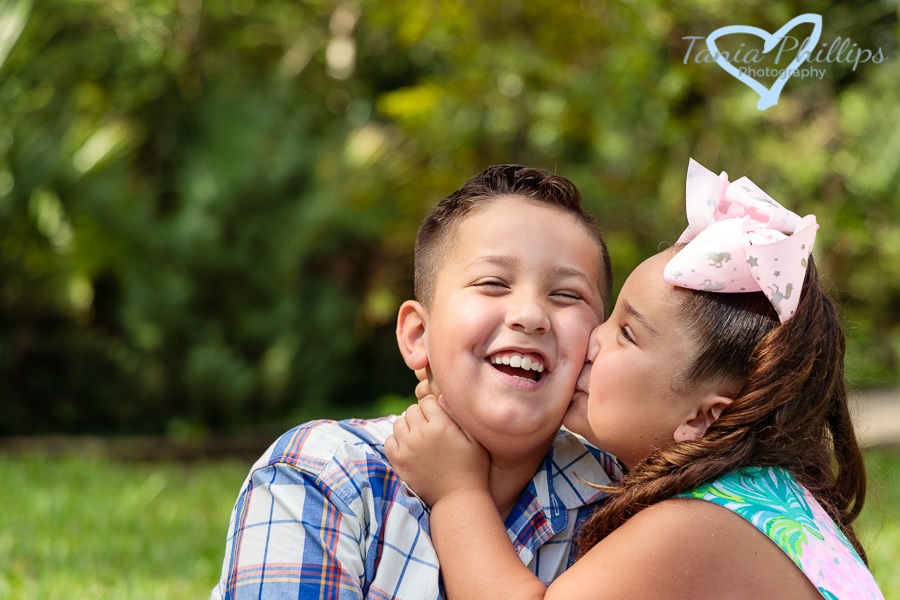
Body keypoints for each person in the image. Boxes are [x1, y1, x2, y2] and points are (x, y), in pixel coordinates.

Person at [386, 159, 885, 600]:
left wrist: (457, 493)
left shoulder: (696, 527)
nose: (592, 340)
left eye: (626, 332)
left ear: (705, 416)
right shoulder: (758, 499)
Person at [210, 165, 623, 599]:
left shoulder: (615, 501)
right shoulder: (320, 475)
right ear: (417, 336)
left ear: (597, 346)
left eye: (566, 295)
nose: (531, 315)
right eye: (493, 283)